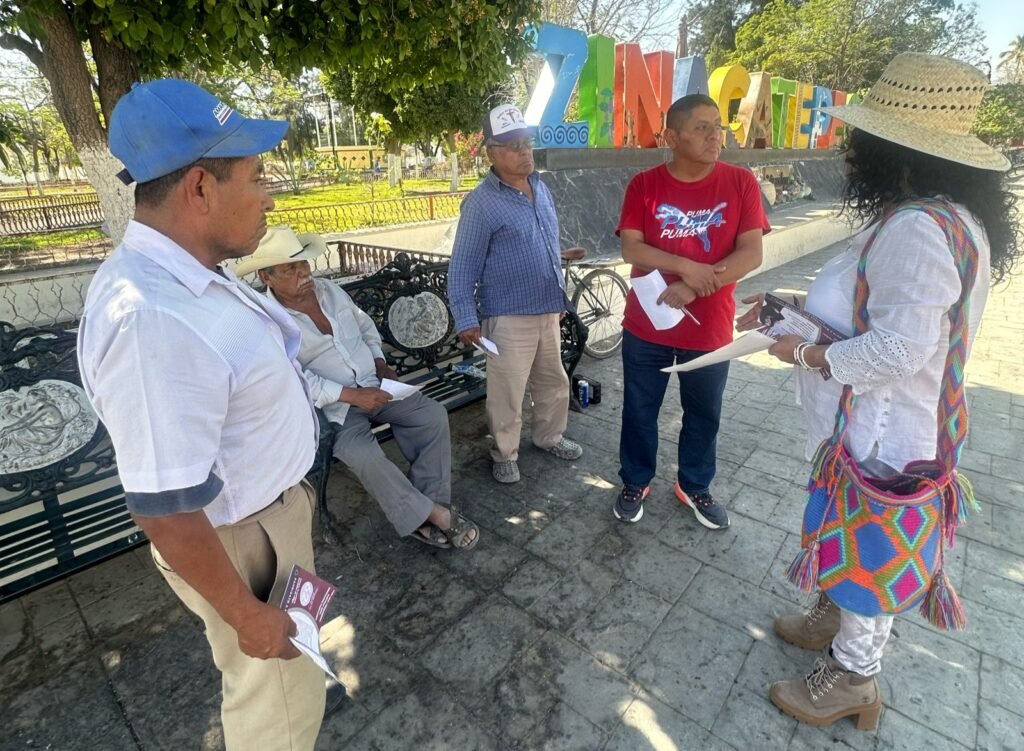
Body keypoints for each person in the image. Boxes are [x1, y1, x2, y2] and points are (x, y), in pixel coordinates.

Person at [735, 53, 1021, 730]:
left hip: (884, 434)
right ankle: (836, 618)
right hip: (875, 423)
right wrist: (794, 310)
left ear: (899, 152)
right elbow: (878, 310)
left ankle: (853, 677)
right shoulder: (934, 216)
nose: (850, 153)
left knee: (871, 549)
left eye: (861, 141)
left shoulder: (918, 229)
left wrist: (805, 352)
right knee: (849, 535)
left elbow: (898, 349)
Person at [77, 80, 331, 750]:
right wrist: (247, 613)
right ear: (199, 188)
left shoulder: (188, 271)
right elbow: (164, 507)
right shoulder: (150, 320)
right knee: (278, 708)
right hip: (245, 542)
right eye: (257, 176)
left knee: (283, 685)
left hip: (267, 520)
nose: (269, 197)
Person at [235, 227, 480, 549]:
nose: (303, 273)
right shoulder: (267, 320)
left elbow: (365, 326)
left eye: (303, 263)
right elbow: (289, 378)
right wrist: (351, 395)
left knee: (431, 416)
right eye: (289, 269)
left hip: (375, 384)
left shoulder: (330, 290)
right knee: (361, 453)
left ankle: (429, 507)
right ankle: (433, 515)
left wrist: (380, 363)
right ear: (266, 277)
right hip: (335, 408)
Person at [613, 94, 771, 527]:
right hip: (648, 324)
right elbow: (631, 247)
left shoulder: (740, 183)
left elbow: (751, 253)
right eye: (701, 127)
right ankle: (635, 480)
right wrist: (685, 266)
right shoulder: (644, 185)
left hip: (709, 329)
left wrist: (693, 286)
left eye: (717, 126)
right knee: (639, 409)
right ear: (672, 136)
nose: (714, 135)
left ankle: (694, 485)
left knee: (704, 414)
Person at [448, 103, 583, 484]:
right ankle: (505, 453)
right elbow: (462, 267)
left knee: (553, 382)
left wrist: (559, 276)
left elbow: (541, 241)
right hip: (507, 316)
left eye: (527, 142)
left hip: (548, 309)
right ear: (491, 153)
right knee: (507, 391)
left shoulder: (540, 187)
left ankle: (549, 437)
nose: (525, 151)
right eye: (513, 146)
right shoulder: (481, 204)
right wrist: (466, 318)